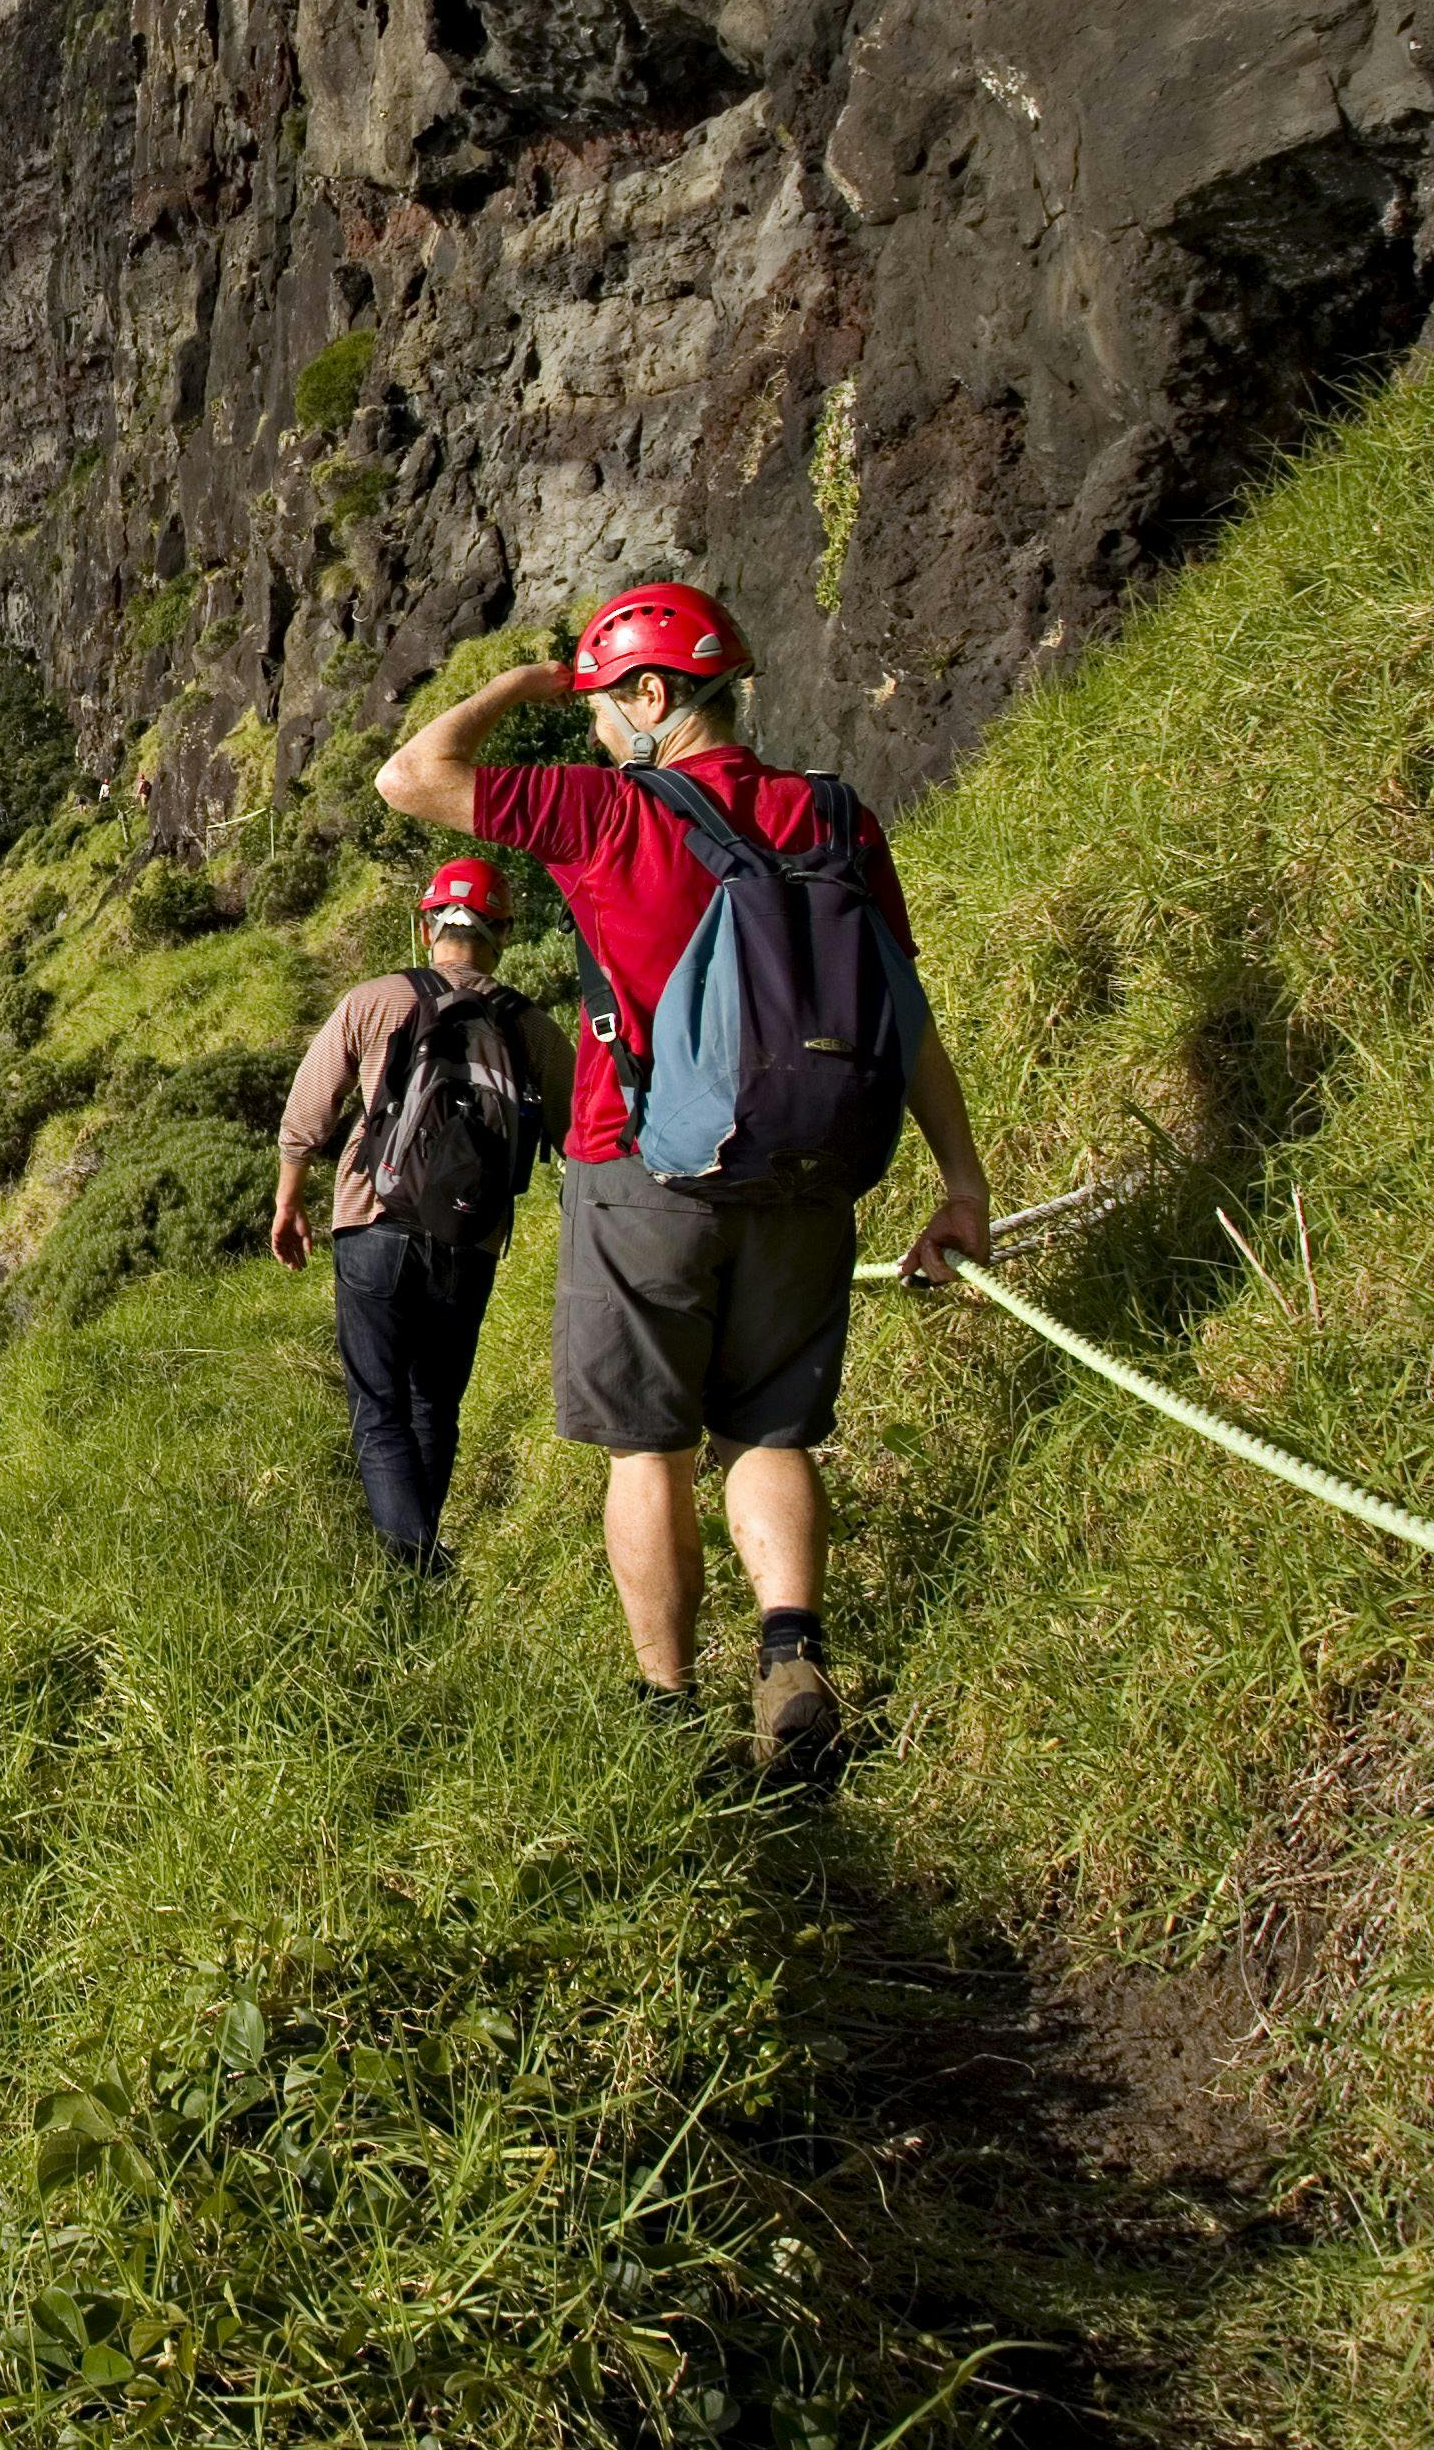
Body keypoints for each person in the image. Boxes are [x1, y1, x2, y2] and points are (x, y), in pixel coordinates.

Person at [375, 582, 994, 1769]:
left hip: (641, 1170)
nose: (598, 727)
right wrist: (960, 1182)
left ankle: (669, 1710)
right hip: (810, 1171)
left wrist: (526, 684)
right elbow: (903, 1015)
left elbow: (411, 776)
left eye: (605, 706)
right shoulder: (837, 818)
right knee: (771, 1430)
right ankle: (791, 1654)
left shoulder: (609, 812)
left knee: (648, 1447)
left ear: (652, 695)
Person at [268, 853, 571, 1577]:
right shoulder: (530, 1025)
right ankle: (420, 1563)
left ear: (427, 924)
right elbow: (582, 1134)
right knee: (434, 1403)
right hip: (470, 1236)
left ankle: (414, 1567)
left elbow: (308, 1113)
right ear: (502, 931)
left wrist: (288, 1200)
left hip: (372, 1220)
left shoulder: (373, 1001)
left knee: (379, 1407)